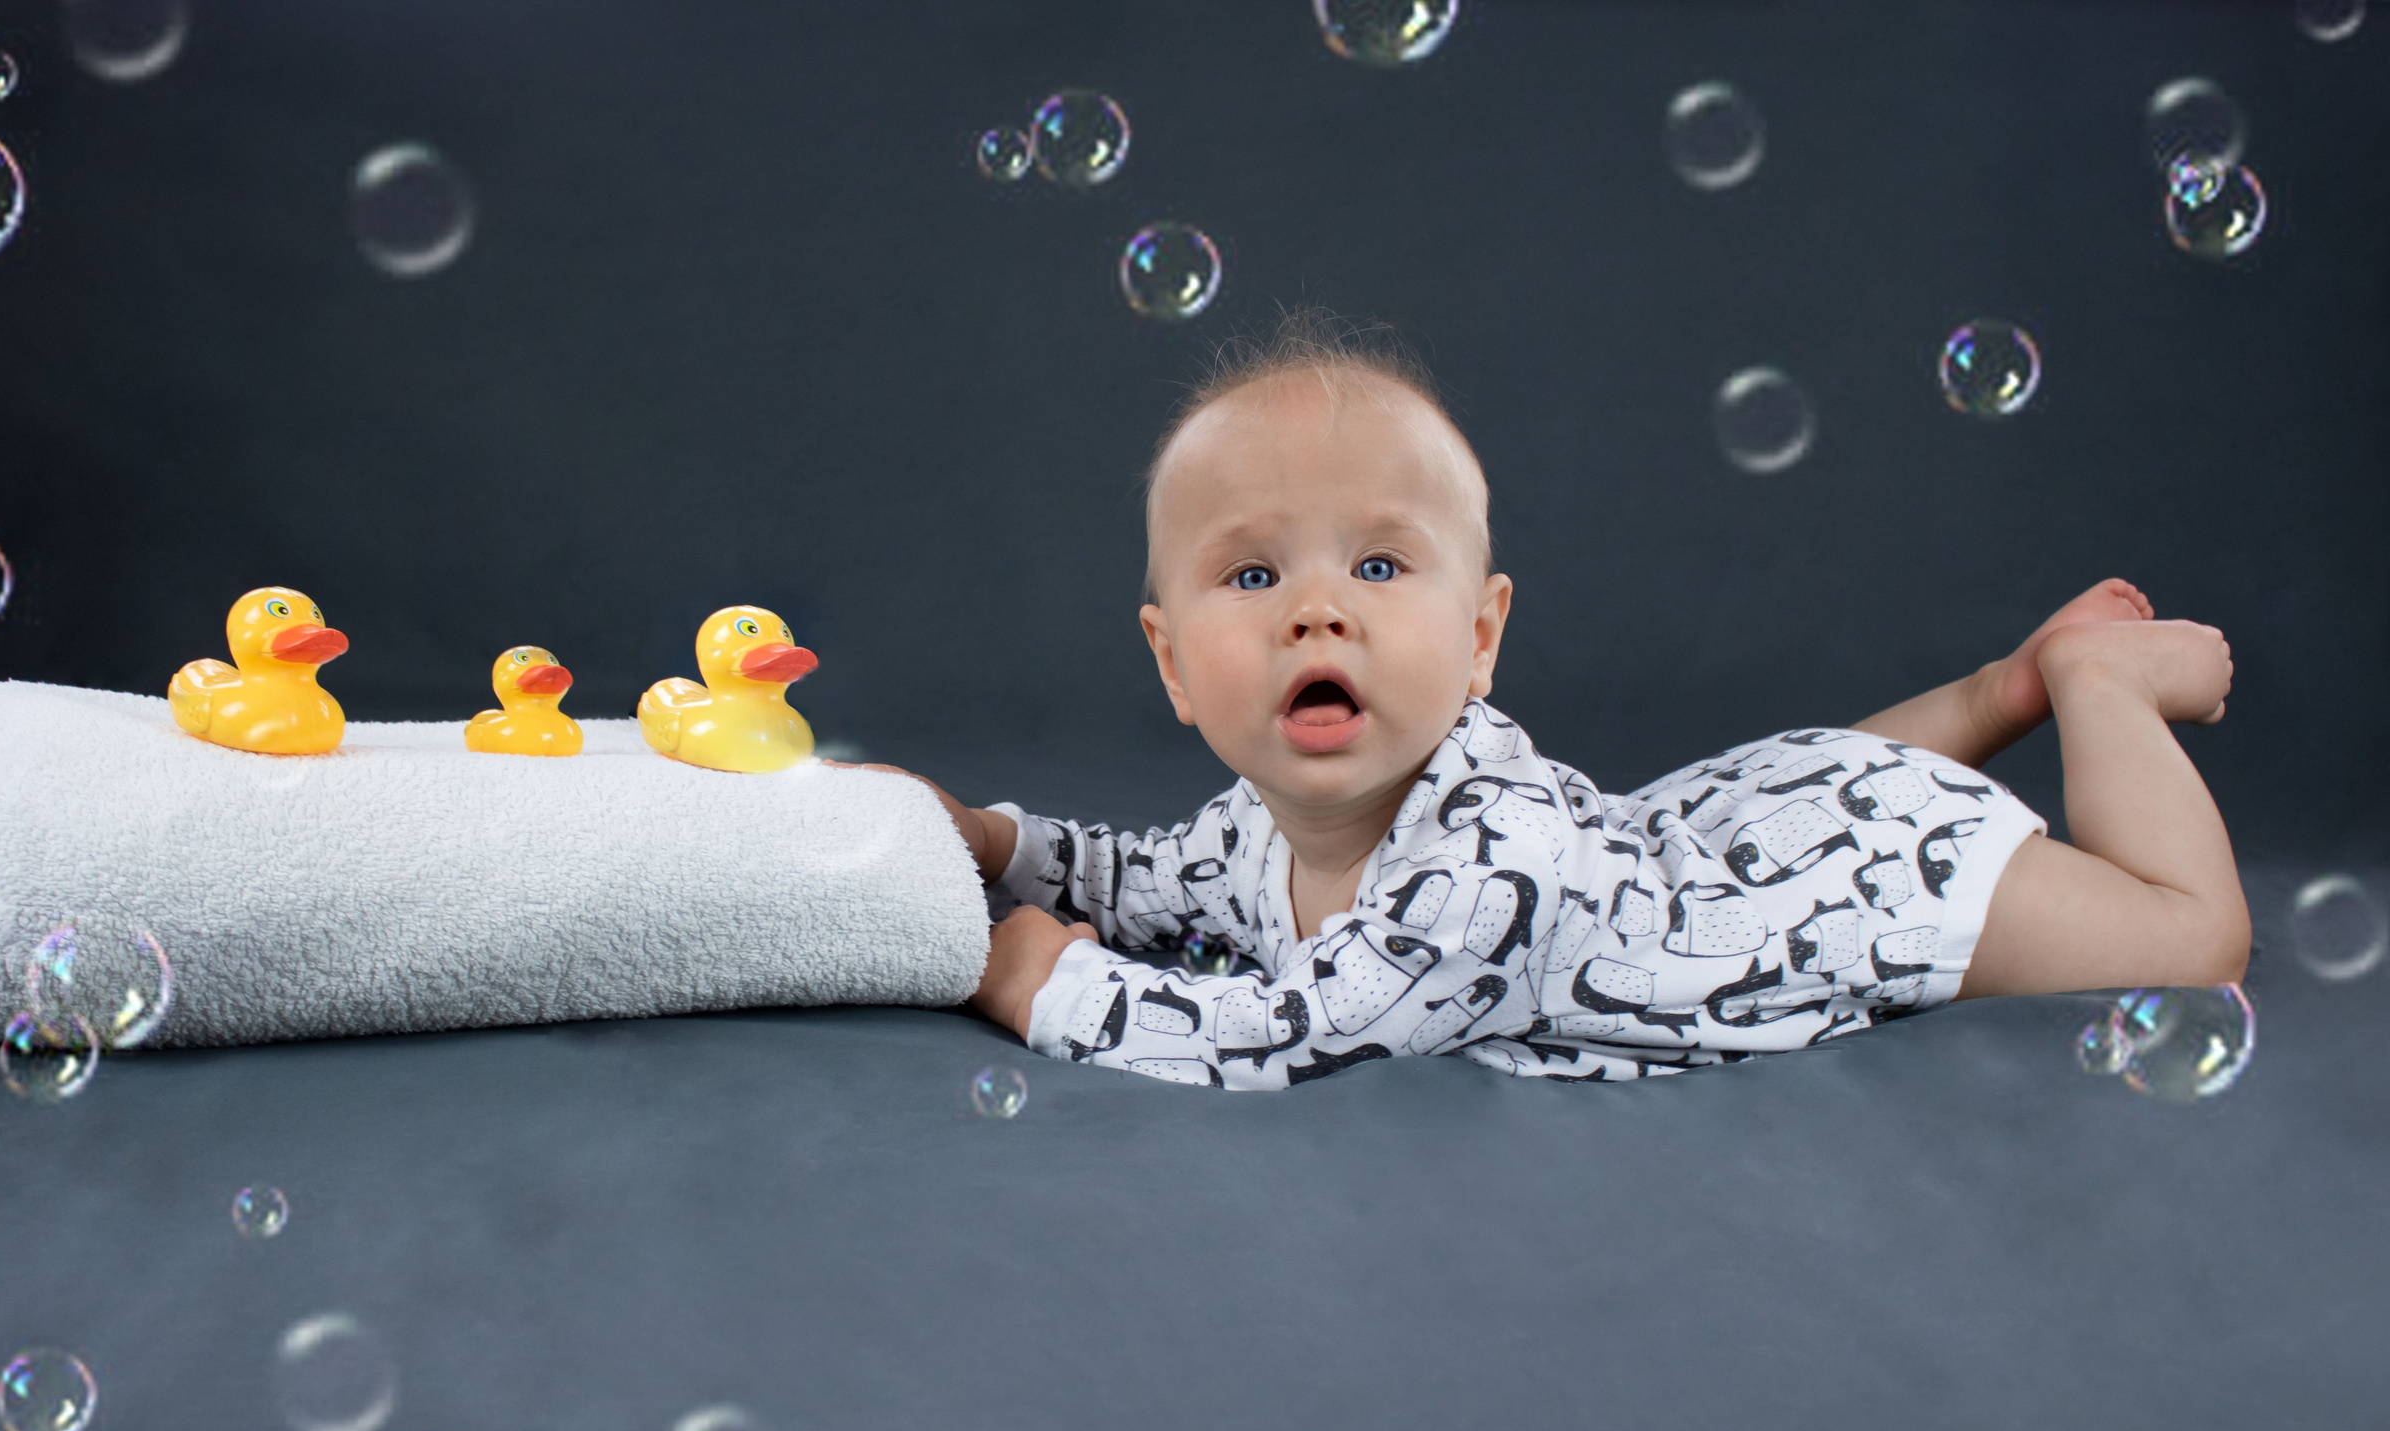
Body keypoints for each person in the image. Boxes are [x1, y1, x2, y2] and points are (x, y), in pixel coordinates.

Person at [902, 309, 2246, 1088]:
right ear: (1173, 665)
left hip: (1881, 886)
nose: (1319, 608)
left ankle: (2089, 685)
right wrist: (1003, 845)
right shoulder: (1258, 827)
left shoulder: (1488, 871)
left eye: (1380, 563)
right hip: (1743, 819)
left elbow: (1283, 1040)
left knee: (2189, 946)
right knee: (1783, 804)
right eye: (1253, 572)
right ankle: (1994, 689)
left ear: (1482, 640)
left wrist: (1049, 983)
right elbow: (1154, 880)